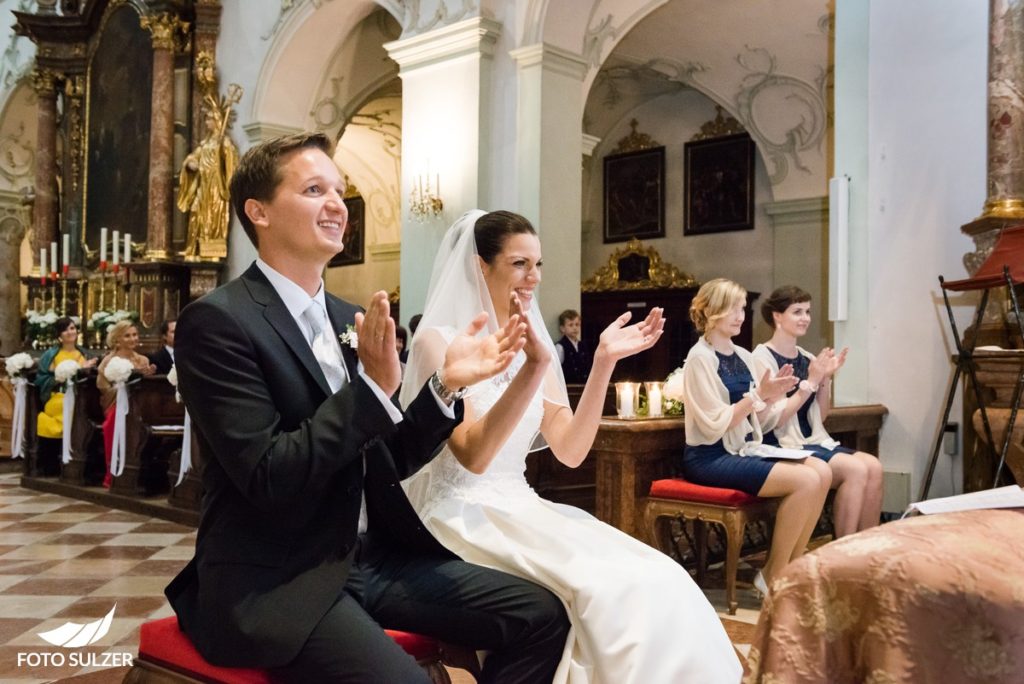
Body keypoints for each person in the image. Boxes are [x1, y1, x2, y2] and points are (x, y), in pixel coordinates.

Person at [165, 133, 569, 683]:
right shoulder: (219, 322)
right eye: (314, 189)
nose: (337, 204)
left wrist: (445, 386)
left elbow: (386, 461)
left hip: (372, 559)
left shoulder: (348, 317)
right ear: (257, 211)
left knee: (541, 616)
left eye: (340, 189)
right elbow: (267, 474)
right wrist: (372, 392)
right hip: (280, 575)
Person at [401, 210, 741, 684]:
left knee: (660, 578)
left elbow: (571, 450)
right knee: (602, 593)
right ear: (481, 265)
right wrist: (532, 370)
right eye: (520, 263)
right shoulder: (439, 343)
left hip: (519, 506)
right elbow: (473, 456)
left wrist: (603, 363)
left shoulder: (534, 343)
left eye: (538, 265)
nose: (533, 278)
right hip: (459, 512)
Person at [678, 278, 832, 595]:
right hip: (710, 456)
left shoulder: (744, 356)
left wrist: (776, 393)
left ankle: (792, 565)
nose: (740, 315)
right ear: (711, 311)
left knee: (823, 470)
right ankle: (773, 574)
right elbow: (715, 423)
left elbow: (757, 414)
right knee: (805, 481)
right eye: (733, 308)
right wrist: (758, 396)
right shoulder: (699, 358)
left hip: (742, 449)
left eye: (742, 309)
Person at [753, 285, 883, 537]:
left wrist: (824, 379)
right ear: (777, 316)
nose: (805, 318)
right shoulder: (762, 357)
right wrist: (810, 382)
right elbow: (777, 421)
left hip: (810, 439)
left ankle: (867, 548)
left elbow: (820, 417)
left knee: (873, 466)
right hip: (780, 443)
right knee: (856, 469)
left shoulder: (806, 356)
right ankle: (842, 549)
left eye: (808, 312)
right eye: (797, 311)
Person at [97, 320, 156, 487]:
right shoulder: (109, 361)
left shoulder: (143, 360)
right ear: (117, 339)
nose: (133, 339)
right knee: (111, 423)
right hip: (115, 405)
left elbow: (148, 387)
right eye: (127, 335)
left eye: (135, 335)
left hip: (139, 406)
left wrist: (147, 375)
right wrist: (123, 388)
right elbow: (102, 387)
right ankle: (112, 473)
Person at [35, 317, 97, 475]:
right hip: (58, 396)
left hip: (81, 397)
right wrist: (61, 376)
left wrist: (87, 370)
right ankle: (53, 464)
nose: (71, 332)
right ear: (59, 335)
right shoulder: (51, 355)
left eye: (73, 328)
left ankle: (83, 464)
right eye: (66, 329)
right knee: (62, 409)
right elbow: (42, 379)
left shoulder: (84, 354)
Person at [177, 106, 239, 260]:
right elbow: (193, 157)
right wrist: (190, 163)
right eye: (206, 119)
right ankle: (193, 247)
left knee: (213, 215)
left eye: (210, 119)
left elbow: (232, 165)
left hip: (215, 186)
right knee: (195, 212)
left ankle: (212, 247)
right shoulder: (205, 143)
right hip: (202, 184)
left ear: (217, 120)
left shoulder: (224, 142)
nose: (207, 122)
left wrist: (228, 183)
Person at [554, 309, 592, 383]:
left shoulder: (582, 345)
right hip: (568, 386)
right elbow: (556, 369)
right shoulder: (560, 346)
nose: (575, 328)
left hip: (583, 385)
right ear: (562, 328)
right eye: (571, 325)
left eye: (577, 324)